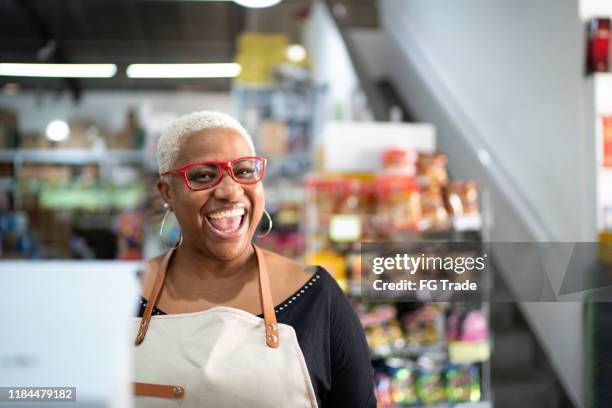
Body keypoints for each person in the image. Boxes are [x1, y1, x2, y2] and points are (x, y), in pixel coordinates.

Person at [132, 111, 377, 408]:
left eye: (244, 171)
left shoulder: (317, 296)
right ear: (167, 193)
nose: (230, 191)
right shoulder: (124, 295)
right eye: (204, 175)